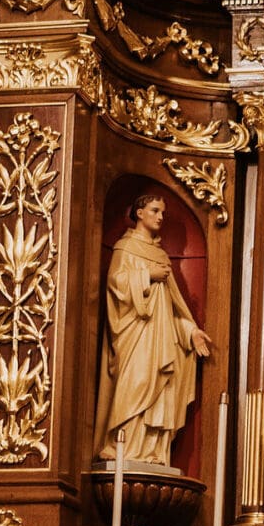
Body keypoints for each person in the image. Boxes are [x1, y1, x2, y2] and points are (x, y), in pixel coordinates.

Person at [93, 190, 212, 467]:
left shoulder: (160, 255)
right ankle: (120, 443)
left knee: (158, 389)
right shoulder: (125, 248)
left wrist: (190, 331)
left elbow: (172, 308)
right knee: (134, 384)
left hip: (160, 338)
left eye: (162, 212)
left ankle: (150, 451)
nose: (160, 217)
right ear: (139, 213)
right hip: (134, 333)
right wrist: (147, 275)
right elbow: (116, 283)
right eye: (155, 211)